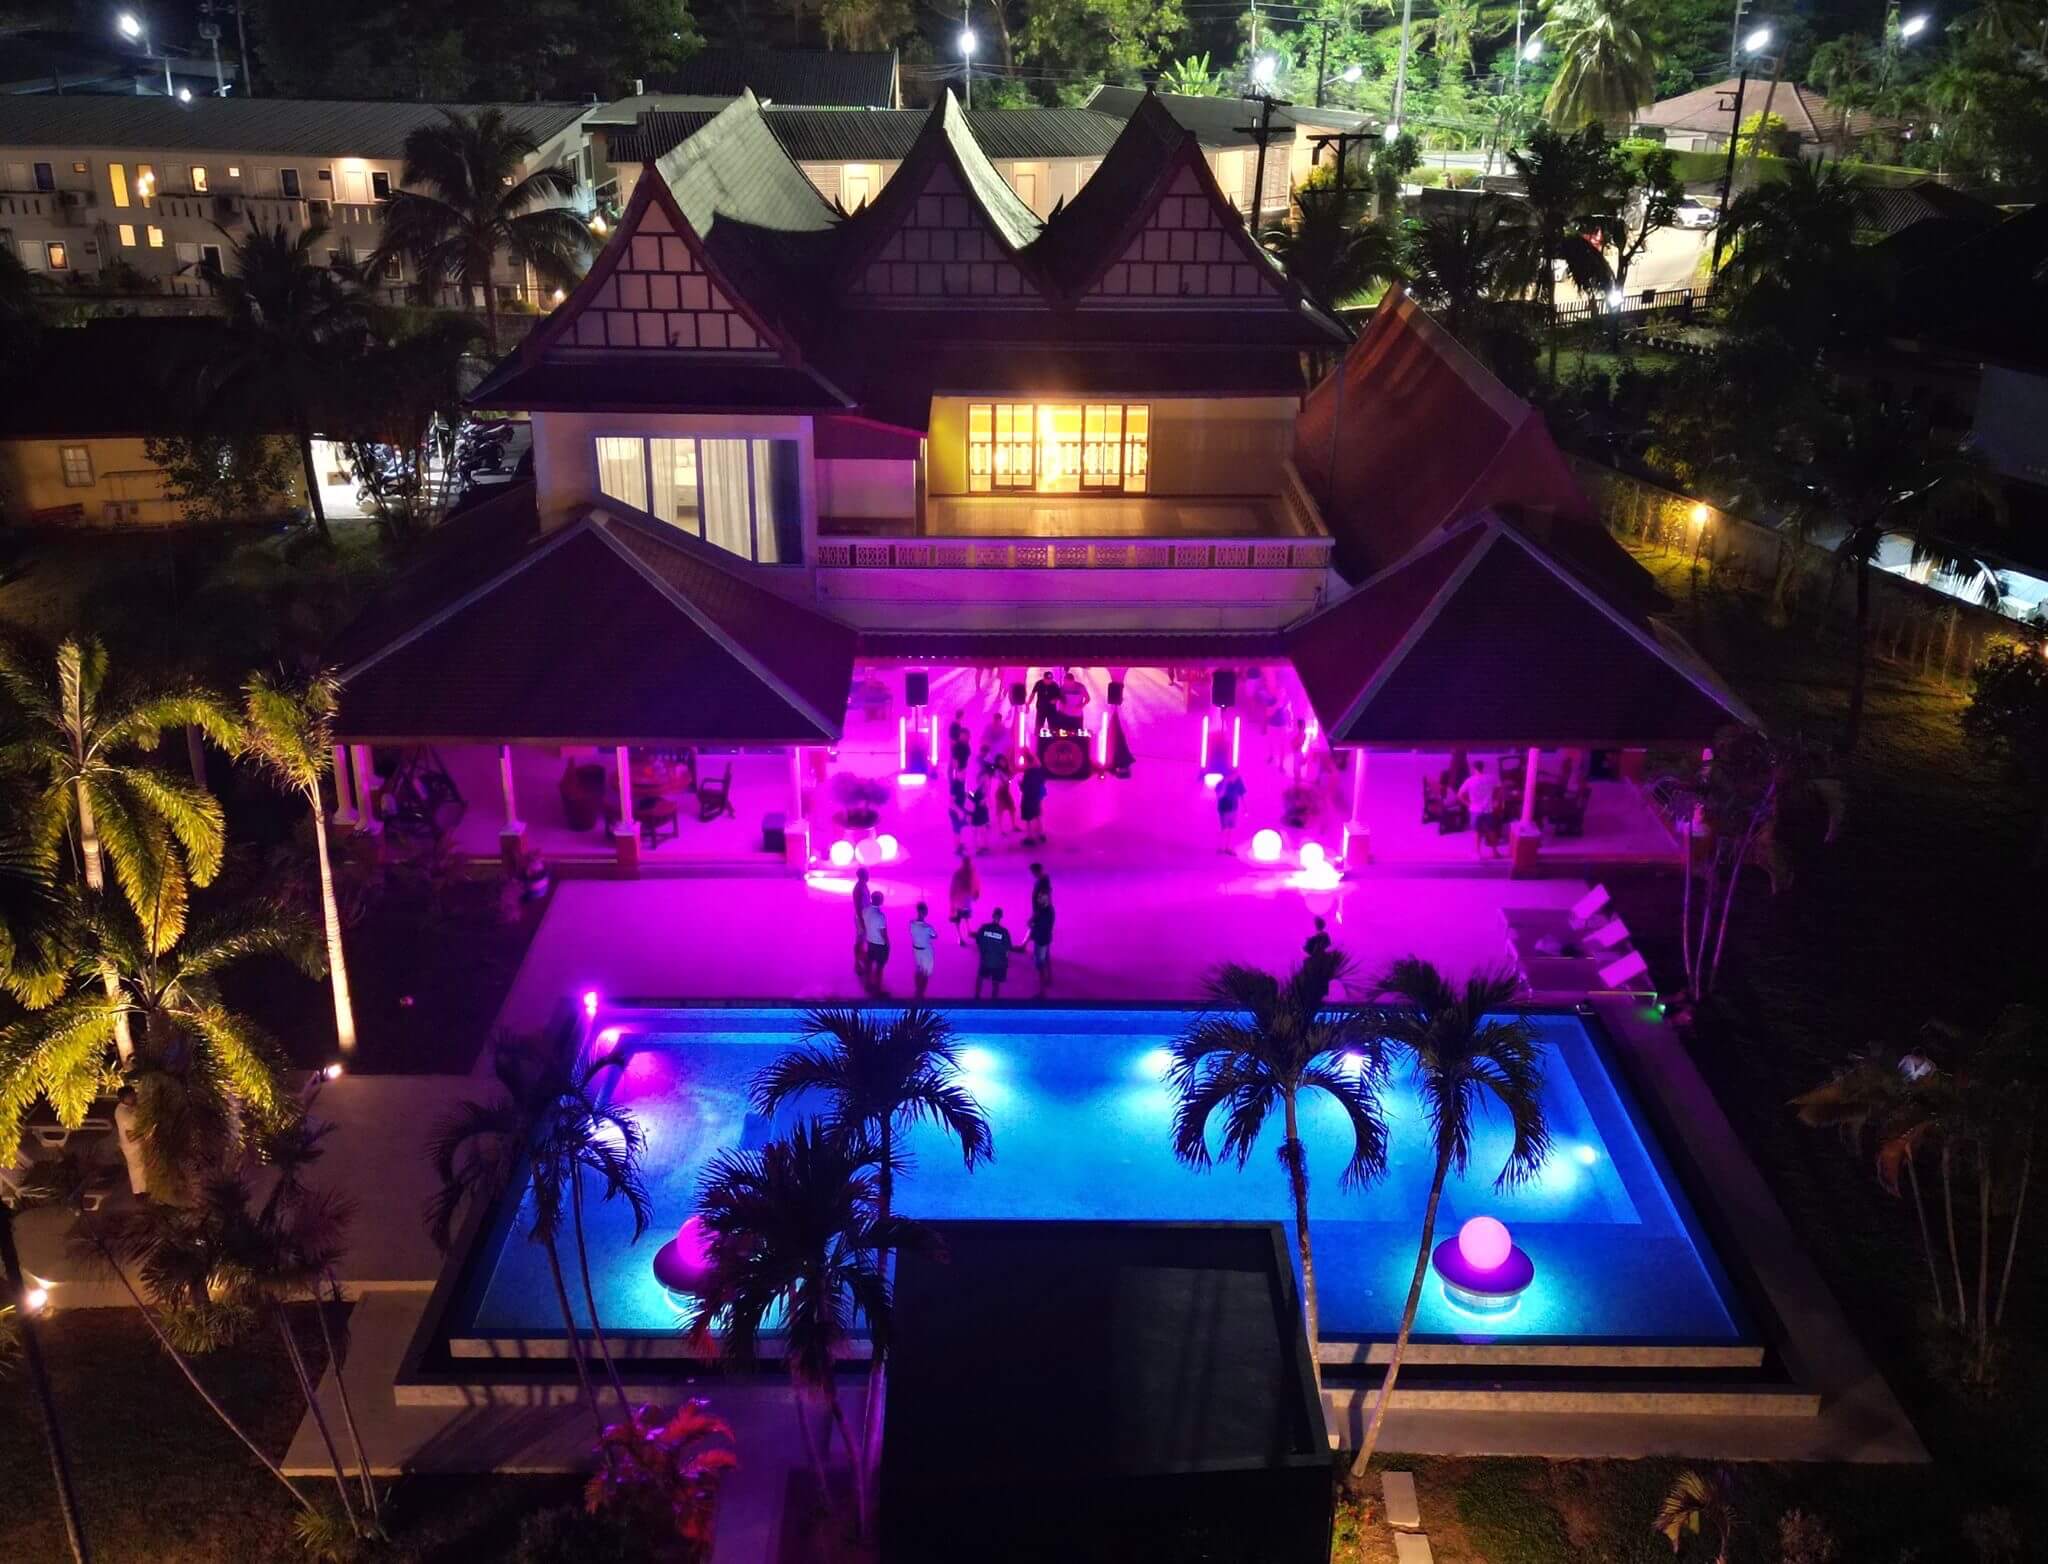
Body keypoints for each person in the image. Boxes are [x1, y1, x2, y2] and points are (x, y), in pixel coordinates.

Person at [1458, 759, 1503, 858]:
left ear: (1474, 769)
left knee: (1477, 832)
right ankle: (1495, 852)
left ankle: (1478, 853)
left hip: (1475, 810)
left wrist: (1468, 804)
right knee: (1491, 831)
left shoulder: (1469, 780)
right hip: (1488, 809)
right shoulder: (1491, 778)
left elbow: (1460, 794)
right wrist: (1496, 801)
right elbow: (1500, 788)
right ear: (1483, 767)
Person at [973, 908, 1014, 999]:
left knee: (980, 977)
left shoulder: (984, 928)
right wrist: (1006, 962)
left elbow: (978, 941)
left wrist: (984, 952)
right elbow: (1008, 949)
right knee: (995, 982)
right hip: (998, 963)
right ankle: (993, 1001)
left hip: (986, 960)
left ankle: (976, 997)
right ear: (1001, 917)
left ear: (992, 916)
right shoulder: (1004, 932)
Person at [1028, 866, 1055, 995]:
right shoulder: (1044, 882)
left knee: (1039, 957)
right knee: (1046, 950)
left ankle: (1042, 989)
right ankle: (1049, 976)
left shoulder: (1042, 886)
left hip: (1042, 923)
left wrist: (1032, 919)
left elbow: (1041, 906)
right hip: (1045, 920)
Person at [948, 847, 981, 944]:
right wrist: (952, 902)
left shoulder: (970, 872)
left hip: (966, 899)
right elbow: (953, 888)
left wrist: (975, 892)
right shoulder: (959, 874)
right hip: (959, 900)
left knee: (965, 915)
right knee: (958, 918)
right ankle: (960, 937)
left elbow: (975, 882)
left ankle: (968, 930)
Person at [862, 889, 890, 993]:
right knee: (879, 966)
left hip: (870, 941)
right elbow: (883, 933)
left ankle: (868, 984)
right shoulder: (880, 916)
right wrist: (887, 944)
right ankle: (878, 987)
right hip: (879, 944)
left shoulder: (865, 911)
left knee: (869, 964)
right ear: (881, 900)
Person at [909, 900, 937, 999]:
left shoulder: (911, 924)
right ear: (925, 912)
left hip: (916, 950)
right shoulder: (928, 928)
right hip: (926, 952)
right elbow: (935, 936)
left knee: (918, 969)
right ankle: (921, 992)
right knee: (926, 973)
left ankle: (917, 990)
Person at [1018, 755, 1048, 847]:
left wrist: (1020, 784)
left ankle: (1030, 837)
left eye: (1025, 762)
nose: (1024, 764)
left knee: (1028, 818)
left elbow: (1025, 788)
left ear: (1029, 762)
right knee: (1037, 815)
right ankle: (1041, 834)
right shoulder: (1040, 771)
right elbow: (1042, 782)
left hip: (1028, 798)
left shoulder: (1028, 772)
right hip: (1036, 796)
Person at [1216, 768, 1247, 851]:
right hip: (1224, 807)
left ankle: (1228, 847)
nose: (1235, 777)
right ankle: (1221, 847)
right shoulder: (1221, 783)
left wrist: (1245, 808)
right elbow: (1220, 795)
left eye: (1236, 775)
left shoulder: (1238, 782)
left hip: (1234, 808)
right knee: (1224, 828)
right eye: (1233, 775)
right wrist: (1225, 783)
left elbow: (1242, 795)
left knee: (1231, 828)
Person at [851, 867, 873, 979]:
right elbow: (858, 906)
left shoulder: (863, 886)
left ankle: (861, 960)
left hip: (864, 916)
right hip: (861, 918)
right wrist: (862, 920)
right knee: (860, 940)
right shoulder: (859, 888)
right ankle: (857, 963)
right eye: (867, 874)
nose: (869, 876)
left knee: (862, 940)